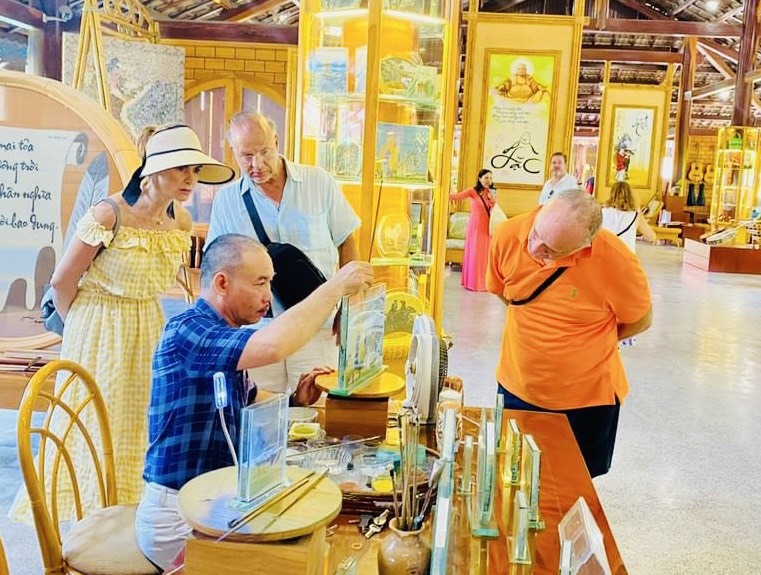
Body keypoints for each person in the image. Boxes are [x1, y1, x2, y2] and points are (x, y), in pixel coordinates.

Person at [9, 125, 236, 523]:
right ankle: (81, 514)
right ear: (156, 169)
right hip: (96, 324)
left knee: (139, 418)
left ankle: (131, 509)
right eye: (181, 169)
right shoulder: (108, 213)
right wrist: (79, 328)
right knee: (95, 419)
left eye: (195, 171)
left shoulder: (180, 222)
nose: (189, 179)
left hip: (146, 324)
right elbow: (62, 280)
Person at [135, 234, 373, 569]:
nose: (268, 296)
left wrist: (294, 400)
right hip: (179, 516)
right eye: (260, 283)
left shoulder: (221, 334)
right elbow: (272, 346)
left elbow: (250, 400)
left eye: (270, 283)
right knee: (296, 560)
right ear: (222, 282)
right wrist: (335, 287)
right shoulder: (187, 331)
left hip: (215, 499)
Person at [486, 189, 652, 477]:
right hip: (517, 387)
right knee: (513, 477)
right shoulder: (507, 235)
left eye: (551, 250)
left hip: (586, 402)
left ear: (584, 245)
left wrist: (588, 343)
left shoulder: (616, 260)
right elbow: (505, 293)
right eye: (536, 235)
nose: (535, 249)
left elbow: (640, 320)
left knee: (573, 487)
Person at [206, 112, 361, 395]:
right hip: (255, 332)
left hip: (317, 325)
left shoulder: (318, 183)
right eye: (247, 156)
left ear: (276, 142)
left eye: (265, 151)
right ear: (234, 154)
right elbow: (214, 266)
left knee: (316, 414)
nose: (258, 164)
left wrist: (349, 307)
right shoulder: (227, 201)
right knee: (261, 418)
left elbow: (346, 240)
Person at [449, 169, 495, 291]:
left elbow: (494, 209)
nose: (488, 180)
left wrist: (493, 199)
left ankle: (484, 283)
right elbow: (456, 196)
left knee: (485, 254)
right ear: (480, 179)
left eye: (490, 178)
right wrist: (443, 192)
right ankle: (473, 283)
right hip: (475, 226)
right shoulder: (472, 191)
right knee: (475, 253)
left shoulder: (492, 192)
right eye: (486, 178)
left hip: (487, 227)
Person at [602, 181, 656, 252]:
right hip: (625, 258)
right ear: (630, 196)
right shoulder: (636, 215)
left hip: (603, 256)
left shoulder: (601, 212)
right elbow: (651, 237)